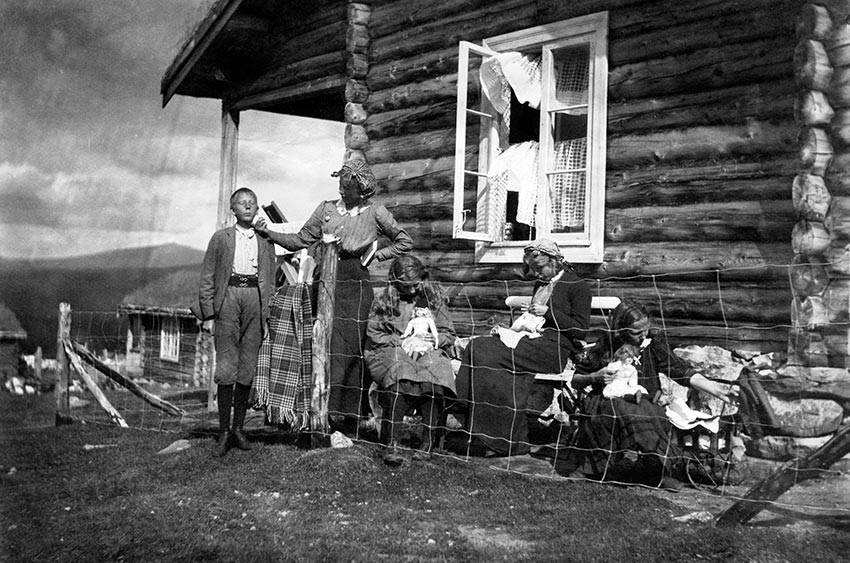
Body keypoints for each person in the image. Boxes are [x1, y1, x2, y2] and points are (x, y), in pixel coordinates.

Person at [255, 159, 414, 427]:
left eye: (346, 187)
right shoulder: (326, 209)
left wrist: (374, 256)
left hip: (356, 285)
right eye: (339, 185)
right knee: (322, 344)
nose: (341, 191)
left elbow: (404, 241)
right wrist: (268, 233)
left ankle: (351, 414)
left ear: (361, 189)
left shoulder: (375, 212)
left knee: (351, 348)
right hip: (325, 281)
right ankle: (320, 410)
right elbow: (301, 240)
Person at [567, 300, 739, 488]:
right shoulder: (606, 344)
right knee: (626, 412)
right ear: (621, 329)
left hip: (643, 400)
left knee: (654, 414)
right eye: (636, 332)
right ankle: (591, 468)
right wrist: (595, 376)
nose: (643, 335)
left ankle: (655, 471)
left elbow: (679, 370)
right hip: (607, 400)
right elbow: (576, 380)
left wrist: (714, 388)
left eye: (645, 329)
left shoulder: (653, 342)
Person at [452, 238, 592, 456]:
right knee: (478, 346)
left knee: (491, 356)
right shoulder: (541, 284)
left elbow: (580, 330)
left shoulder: (578, 286)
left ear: (555, 262)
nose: (536, 274)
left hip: (552, 348)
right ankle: (472, 417)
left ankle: (503, 440)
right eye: (532, 270)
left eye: (539, 268)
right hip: (530, 340)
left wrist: (548, 313)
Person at [194, 187, 278, 457]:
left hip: (254, 297)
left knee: (247, 366)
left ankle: (239, 429)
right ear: (233, 209)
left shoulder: (265, 240)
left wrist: (267, 312)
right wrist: (208, 314)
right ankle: (223, 432)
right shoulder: (221, 239)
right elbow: (208, 276)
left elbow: (271, 279)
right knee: (227, 366)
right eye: (242, 203)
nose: (248, 206)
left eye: (252, 203)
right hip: (228, 297)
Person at [363, 255, 457, 465]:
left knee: (436, 374)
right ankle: (391, 441)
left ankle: (428, 443)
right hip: (387, 349)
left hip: (426, 348)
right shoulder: (383, 300)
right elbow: (375, 333)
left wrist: (431, 340)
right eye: (408, 286)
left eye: (417, 284)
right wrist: (403, 341)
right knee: (401, 371)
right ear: (396, 283)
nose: (414, 290)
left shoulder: (433, 298)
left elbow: (448, 333)